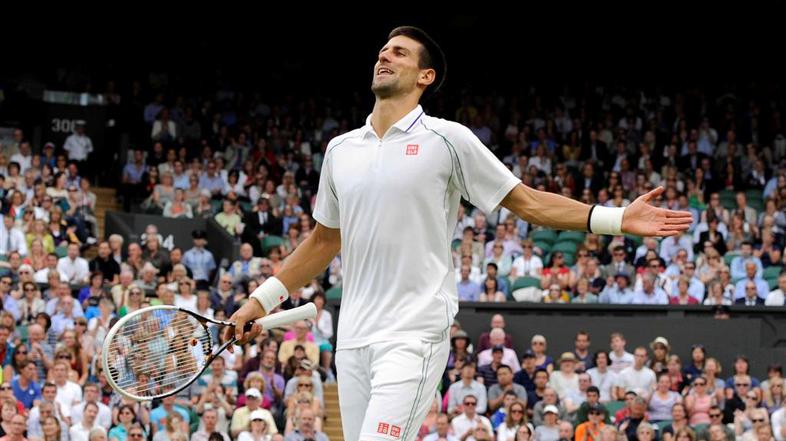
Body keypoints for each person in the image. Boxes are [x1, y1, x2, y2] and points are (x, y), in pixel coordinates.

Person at [225, 26, 693, 441]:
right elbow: (324, 240)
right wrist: (260, 300)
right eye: (383, 50)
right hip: (353, 338)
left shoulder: (448, 139)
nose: (384, 57)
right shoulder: (340, 150)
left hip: (413, 333)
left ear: (425, 77)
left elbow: (526, 201)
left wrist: (614, 218)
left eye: (400, 53)